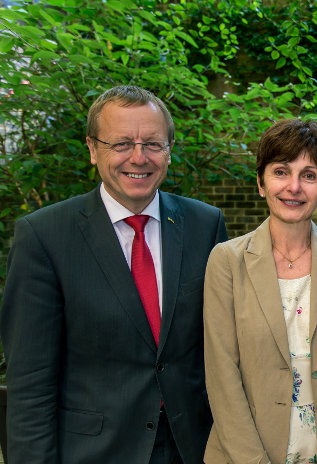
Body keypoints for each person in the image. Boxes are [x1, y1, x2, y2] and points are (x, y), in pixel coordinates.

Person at [0, 85, 228, 464]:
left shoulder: (205, 224)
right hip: (93, 452)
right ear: (92, 149)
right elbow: (30, 386)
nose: (139, 158)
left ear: (169, 150)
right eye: (121, 143)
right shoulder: (44, 236)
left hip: (194, 448)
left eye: (153, 144)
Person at [202, 118, 317, 464]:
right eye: (281, 171)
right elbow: (222, 374)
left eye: (309, 175)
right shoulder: (226, 261)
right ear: (261, 183)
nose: (294, 187)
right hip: (244, 453)